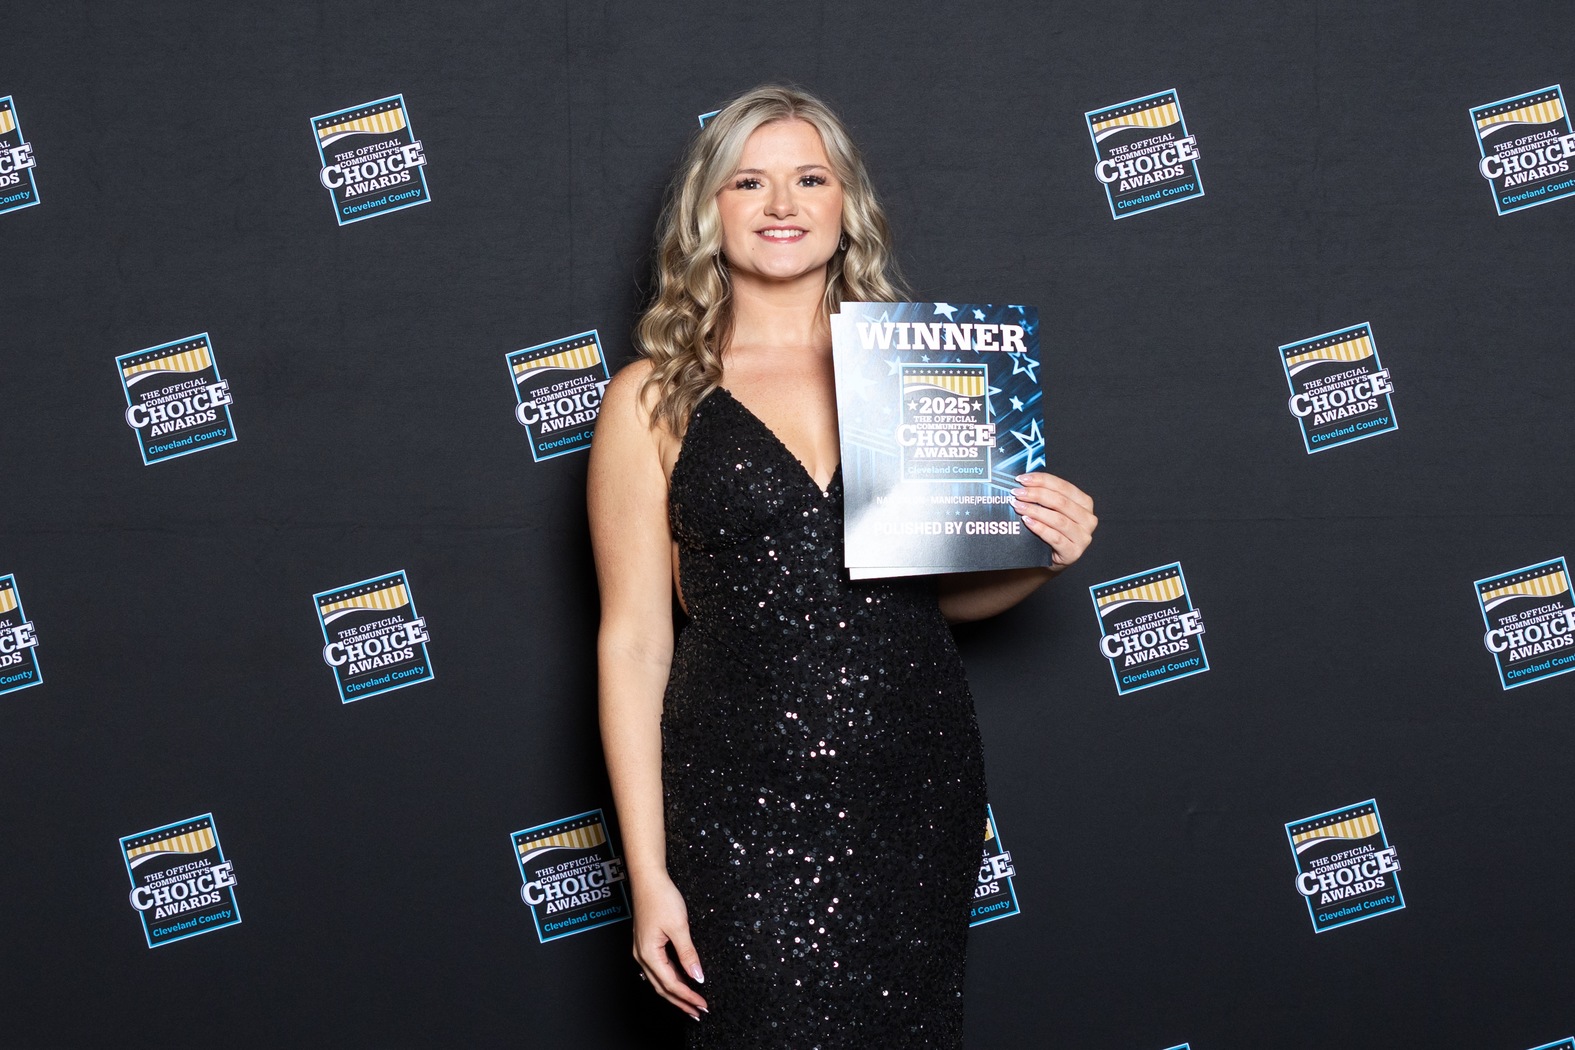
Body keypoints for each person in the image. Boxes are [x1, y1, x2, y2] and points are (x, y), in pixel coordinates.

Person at [587, 85, 1096, 1048]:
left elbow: (930, 598)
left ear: (845, 203)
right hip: (737, 792)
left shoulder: (923, 367)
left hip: (914, 778)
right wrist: (647, 873)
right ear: (709, 209)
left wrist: (1041, 557)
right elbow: (635, 643)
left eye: (809, 179)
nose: (782, 204)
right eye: (749, 182)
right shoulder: (651, 397)